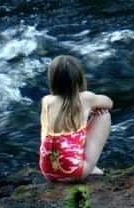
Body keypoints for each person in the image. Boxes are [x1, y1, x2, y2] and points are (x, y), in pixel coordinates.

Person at [39, 55, 112, 183]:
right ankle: (90, 166)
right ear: (79, 78)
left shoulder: (46, 101)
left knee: (61, 139)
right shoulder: (86, 98)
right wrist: (94, 107)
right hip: (75, 173)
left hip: (48, 172)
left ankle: (73, 164)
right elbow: (109, 103)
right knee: (104, 115)